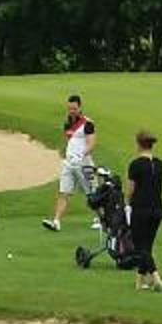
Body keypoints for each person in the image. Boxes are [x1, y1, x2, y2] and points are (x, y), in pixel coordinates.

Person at [42, 94, 97, 231]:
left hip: (84, 163)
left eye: (74, 109)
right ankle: (56, 221)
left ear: (80, 107)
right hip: (69, 163)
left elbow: (91, 144)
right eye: (70, 109)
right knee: (64, 192)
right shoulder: (67, 124)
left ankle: (100, 219)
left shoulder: (87, 123)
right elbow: (71, 142)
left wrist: (81, 155)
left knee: (92, 193)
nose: (72, 111)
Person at [125, 129, 162, 292]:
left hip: (140, 209)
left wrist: (127, 203)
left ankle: (156, 278)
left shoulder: (135, 165)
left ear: (139, 144)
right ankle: (139, 282)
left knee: (140, 247)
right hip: (156, 209)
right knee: (147, 246)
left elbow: (131, 189)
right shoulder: (160, 164)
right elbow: (161, 188)